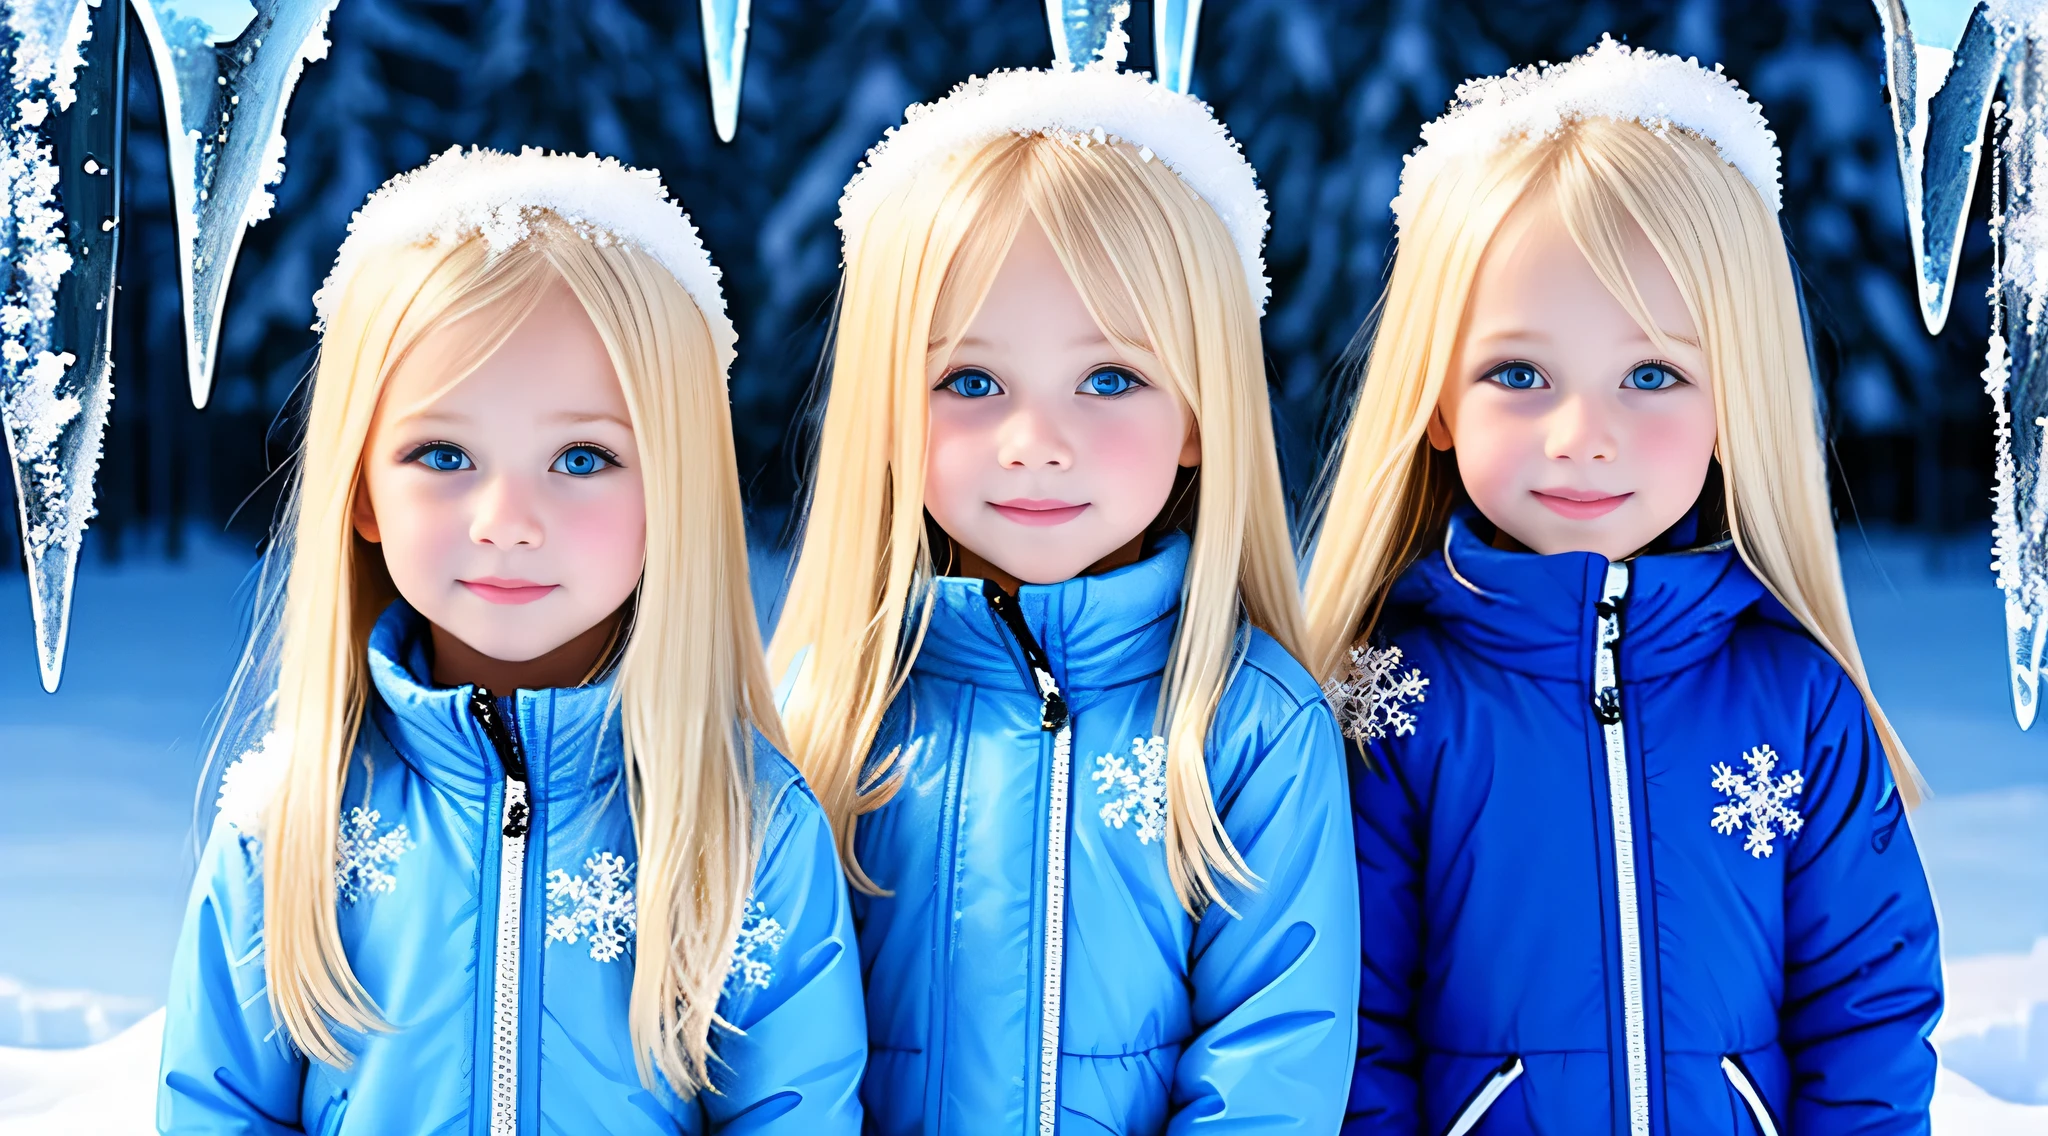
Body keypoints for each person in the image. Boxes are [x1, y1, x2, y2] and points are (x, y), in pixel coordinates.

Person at [1304, 39, 1944, 1135]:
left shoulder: (1792, 702)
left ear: (1730, 399)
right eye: (1518, 373)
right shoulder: (1390, 702)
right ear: (1439, 401)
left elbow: (1867, 1009)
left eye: (1650, 373)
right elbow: (1347, 1026)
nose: (1581, 435)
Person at [157, 147, 865, 1134]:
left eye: (581, 457)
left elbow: (793, 1114)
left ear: (675, 493)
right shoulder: (293, 817)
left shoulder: (746, 829)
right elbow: (218, 1109)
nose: (506, 517)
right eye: (442, 453)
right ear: (360, 489)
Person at [770, 62, 1359, 1134]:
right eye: (969, 382)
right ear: (887, 410)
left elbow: (1272, 1065)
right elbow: (774, 1062)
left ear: (1197, 412)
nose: (1035, 444)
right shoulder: (829, 707)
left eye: (1107, 379)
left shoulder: (1250, 723)